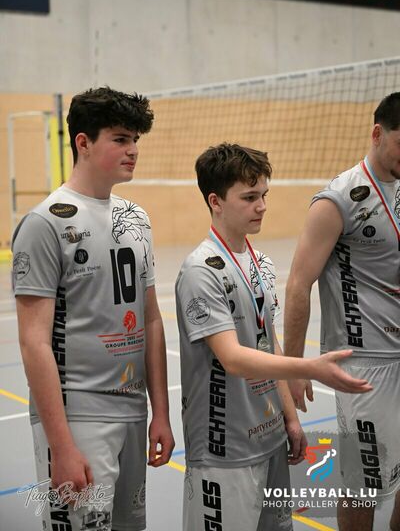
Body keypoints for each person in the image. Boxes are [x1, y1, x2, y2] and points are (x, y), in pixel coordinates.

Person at [175, 143, 372, 531]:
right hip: (224, 447)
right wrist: (309, 368)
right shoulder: (200, 271)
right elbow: (233, 358)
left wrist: (290, 419)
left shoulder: (260, 262)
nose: (262, 206)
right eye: (249, 197)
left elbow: (269, 343)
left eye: (264, 195)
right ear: (215, 201)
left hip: (269, 439)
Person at [12, 87, 175, 531]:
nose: (133, 150)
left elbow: (151, 319)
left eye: (135, 139)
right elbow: (33, 342)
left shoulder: (136, 217)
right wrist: (61, 446)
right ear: (83, 142)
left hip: (133, 412)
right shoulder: (45, 223)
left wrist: (160, 412)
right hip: (78, 416)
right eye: (120, 139)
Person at [283, 92, 400, 531]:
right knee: (362, 485)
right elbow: (298, 284)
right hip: (363, 366)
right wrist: (295, 366)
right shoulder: (338, 199)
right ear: (377, 134)